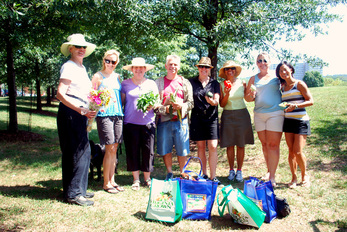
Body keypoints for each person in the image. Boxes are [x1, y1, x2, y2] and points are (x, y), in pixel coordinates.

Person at [57, 33, 97, 206]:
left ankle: (78, 189)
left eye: (84, 47)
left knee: (83, 151)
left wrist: (92, 107)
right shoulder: (69, 66)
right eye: (77, 47)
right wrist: (80, 110)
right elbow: (60, 94)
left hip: (80, 112)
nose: (81, 49)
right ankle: (73, 194)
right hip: (71, 113)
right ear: (70, 49)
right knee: (78, 152)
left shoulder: (81, 67)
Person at [245, 52, 284, 187]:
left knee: (273, 145)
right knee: (265, 145)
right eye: (259, 61)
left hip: (275, 113)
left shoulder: (277, 77)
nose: (262, 63)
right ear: (257, 63)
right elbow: (248, 98)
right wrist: (251, 94)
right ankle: (269, 171)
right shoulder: (253, 79)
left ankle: (272, 176)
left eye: (264, 60)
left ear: (270, 62)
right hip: (259, 115)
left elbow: (286, 87)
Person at [121, 57, 158, 191]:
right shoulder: (125, 84)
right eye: (136, 68)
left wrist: (152, 105)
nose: (139, 70)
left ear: (145, 70)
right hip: (130, 122)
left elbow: (157, 102)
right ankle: (136, 179)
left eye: (141, 68)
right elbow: (122, 103)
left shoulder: (151, 84)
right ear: (132, 69)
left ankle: (147, 178)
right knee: (132, 150)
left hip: (148, 122)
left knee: (148, 151)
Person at [154, 55, 194, 180]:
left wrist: (181, 106)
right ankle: (169, 172)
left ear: (179, 66)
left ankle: (182, 172)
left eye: (175, 64)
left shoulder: (185, 82)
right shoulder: (158, 82)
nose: (173, 67)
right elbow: (154, 104)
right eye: (170, 64)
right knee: (165, 148)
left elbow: (191, 102)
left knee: (182, 148)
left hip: (181, 121)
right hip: (164, 120)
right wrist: (164, 109)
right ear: (166, 66)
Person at [91, 50, 124, 194]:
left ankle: (112, 180)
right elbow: (92, 96)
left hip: (118, 114)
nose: (110, 64)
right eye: (108, 61)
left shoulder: (117, 77)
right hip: (104, 115)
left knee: (114, 148)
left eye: (114, 62)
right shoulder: (98, 76)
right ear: (104, 60)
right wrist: (98, 107)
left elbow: (120, 95)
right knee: (108, 147)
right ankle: (106, 183)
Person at [276, 61, 313, 188]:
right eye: (280, 71)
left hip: (301, 121)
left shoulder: (299, 84)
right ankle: (294, 178)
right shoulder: (282, 87)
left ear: (291, 69)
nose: (283, 72)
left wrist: (296, 105)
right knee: (291, 151)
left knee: (298, 151)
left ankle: (304, 175)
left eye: (285, 69)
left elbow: (310, 101)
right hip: (288, 121)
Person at [219, 60, 254, 183]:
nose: (230, 71)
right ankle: (231, 170)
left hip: (242, 115)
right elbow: (222, 104)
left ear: (235, 71)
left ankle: (239, 170)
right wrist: (227, 94)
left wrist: (252, 94)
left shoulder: (242, 83)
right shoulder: (221, 85)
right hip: (228, 115)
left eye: (232, 68)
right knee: (229, 144)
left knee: (241, 144)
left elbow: (247, 97)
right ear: (224, 71)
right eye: (227, 69)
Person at [189, 57, 221, 184]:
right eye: (201, 66)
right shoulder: (191, 82)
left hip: (211, 118)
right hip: (197, 117)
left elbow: (217, 100)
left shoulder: (215, 84)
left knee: (213, 146)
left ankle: (213, 177)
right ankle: (204, 174)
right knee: (201, 147)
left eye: (206, 67)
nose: (204, 69)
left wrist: (212, 102)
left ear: (210, 69)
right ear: (198, 68)